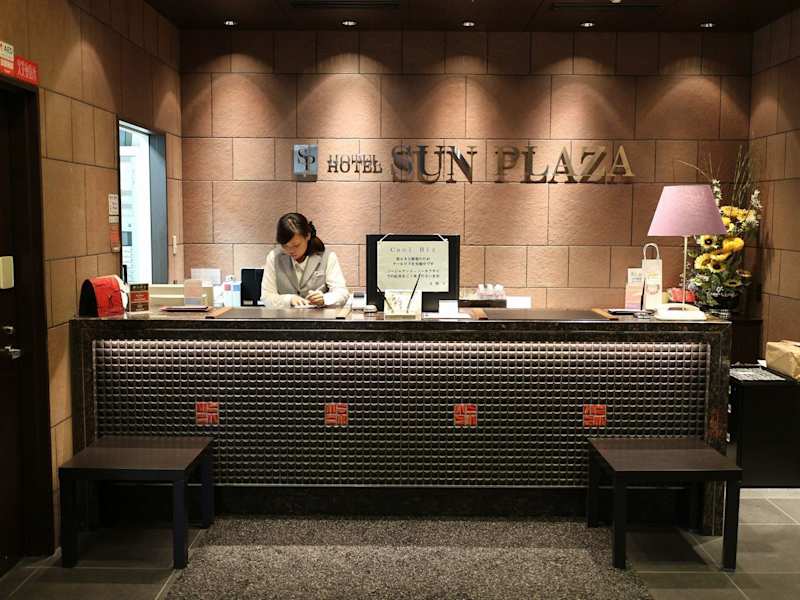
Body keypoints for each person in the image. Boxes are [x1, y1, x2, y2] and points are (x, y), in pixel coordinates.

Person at [261, 213, 349, 308]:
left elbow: (342, 293)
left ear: (307, 236)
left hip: (318, 316)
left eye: (296, 245)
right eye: (285, 246)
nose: (290, 251)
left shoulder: (327, 257)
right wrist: (289, 299)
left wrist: (324, 299)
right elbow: (267, 297)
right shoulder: (274, 257)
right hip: (285, 317)